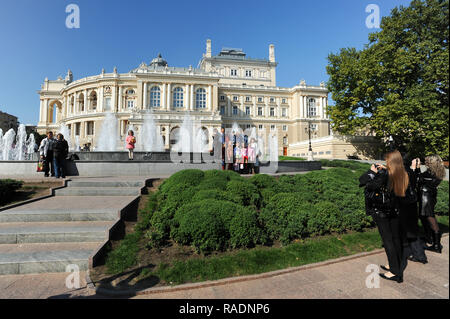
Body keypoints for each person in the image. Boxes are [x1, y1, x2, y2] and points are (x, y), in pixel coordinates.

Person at [364, 150, 411, 283]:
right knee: (395, 238)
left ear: (391, 162)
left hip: (382, 212)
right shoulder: (402, 174)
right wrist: (386, 169)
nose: (385, 162)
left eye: (387, 161)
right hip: (395, 210)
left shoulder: (386, 176)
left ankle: (395, 272)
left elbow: (368, 184)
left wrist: (372, 172)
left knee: (388, 240)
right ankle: (395, 265)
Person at [416, 155, 446, 253]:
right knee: (425, 216)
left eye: (427, 161)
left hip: (426, 197)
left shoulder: (430, 174)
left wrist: (417, 169)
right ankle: (430, 238)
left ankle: (436, 245)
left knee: (429, 217)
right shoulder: (437, 172)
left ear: (432, 163)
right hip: (429, 196)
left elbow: (419, 179)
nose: (426, 162)